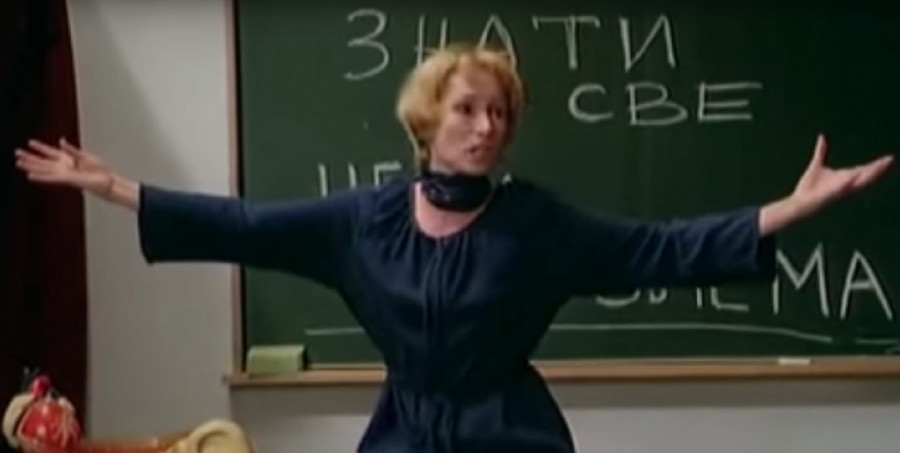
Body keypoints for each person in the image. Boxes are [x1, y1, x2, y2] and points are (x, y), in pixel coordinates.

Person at [13, 43, 894, 452]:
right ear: (428, 120)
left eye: (499, 111)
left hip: (512, 437)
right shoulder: (365, 220)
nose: (486, 125)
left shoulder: (535, 225)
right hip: (403, 437)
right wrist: (117, 186)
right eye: (467, 108)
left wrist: (787, 209)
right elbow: (246, 225)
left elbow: (656, 249)